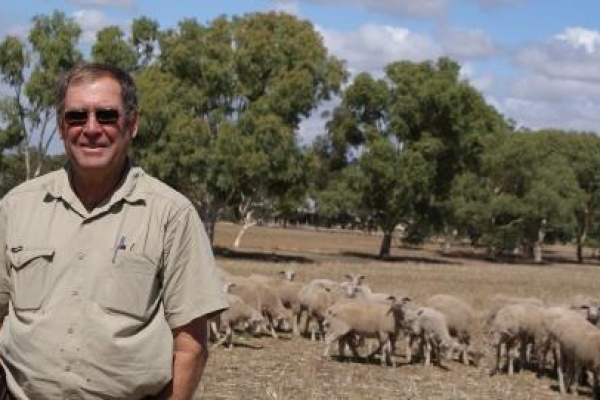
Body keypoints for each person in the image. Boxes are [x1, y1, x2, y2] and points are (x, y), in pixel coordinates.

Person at [0, 63, 228, 399]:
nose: (91, 128)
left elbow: (190, 345)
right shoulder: (16, 207)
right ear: (62, 128)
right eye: (76, 117)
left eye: (106, 116)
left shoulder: (170, 214)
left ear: (132, 125)